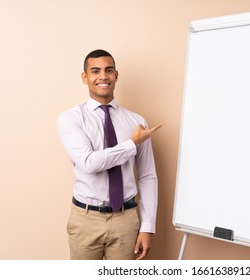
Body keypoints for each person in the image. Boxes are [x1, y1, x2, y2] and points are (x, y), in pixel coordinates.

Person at [57, 49, 161, 260]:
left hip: (126, 219)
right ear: (85, 77)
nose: (103, 76)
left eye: (108, 70)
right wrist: (132, 144)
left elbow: (147, 176)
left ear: (116, 75)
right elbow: (89, 163)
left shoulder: (136, 122)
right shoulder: (71, 119)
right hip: (85, 219)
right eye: (95, 71)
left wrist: (148, 227)